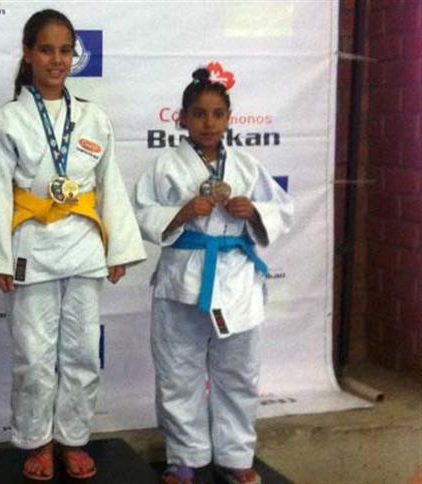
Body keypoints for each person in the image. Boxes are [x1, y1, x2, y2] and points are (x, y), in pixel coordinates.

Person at [0, 9, 146, 481]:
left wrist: (119, 248)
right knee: (33, 354)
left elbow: (109, 185)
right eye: (46, 49)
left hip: (83, 243)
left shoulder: (92, 117)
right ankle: (37, 440)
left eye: (65, 50)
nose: (57, 59)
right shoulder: (10, 119)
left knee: (83, 351)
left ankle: (73, 438)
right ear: (28, 53)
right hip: (31, 243)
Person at [133, 67, 293, 484]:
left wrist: (253, 211)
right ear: (182, 118)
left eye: (218, 114)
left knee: (239, 372)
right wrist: (182, 212)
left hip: (237, 279)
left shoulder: (246, 165)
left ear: (228, 118)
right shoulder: (165, 166)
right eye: (199, 114)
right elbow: (140, 212)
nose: (209, 123)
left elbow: (282, 208)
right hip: (181, 281)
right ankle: (185, 457)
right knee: (178, 371)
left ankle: (236, 454)